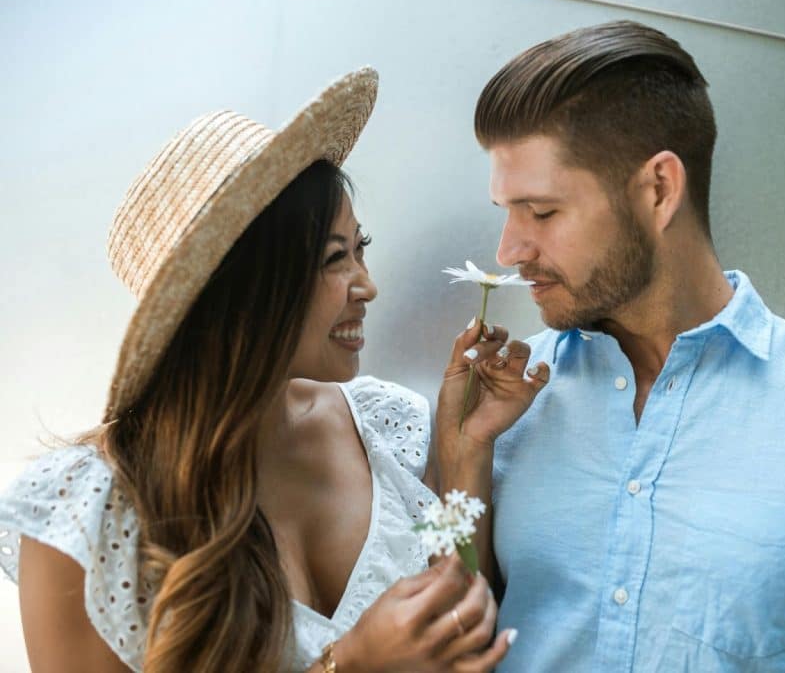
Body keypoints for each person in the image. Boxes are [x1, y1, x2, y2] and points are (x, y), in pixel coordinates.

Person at [441, 21, 785, 671]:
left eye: (542, 212)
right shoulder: (505, 405)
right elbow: (443, 642)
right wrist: (462, 457)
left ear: (659, 189)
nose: (508, 251)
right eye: (505, 210)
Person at [0, 68, 542, 672]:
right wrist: (347, 667)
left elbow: (463, 634)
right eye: (333, 259)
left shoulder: (388, 426)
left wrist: (466, 452)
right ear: (244, 293)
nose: (367, 285)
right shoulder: (84, 512)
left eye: (359, 249)